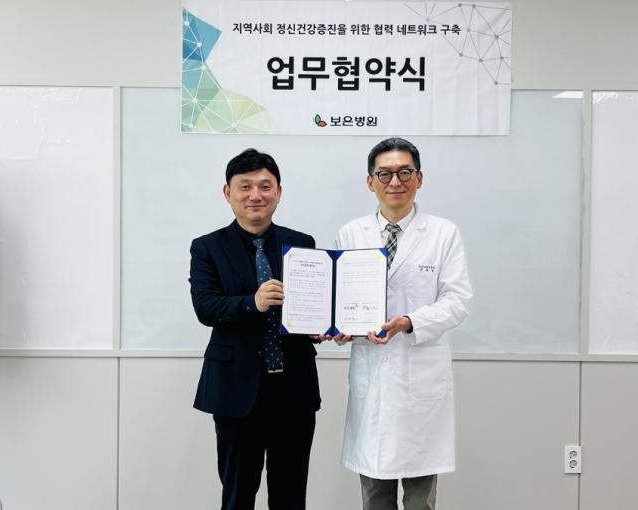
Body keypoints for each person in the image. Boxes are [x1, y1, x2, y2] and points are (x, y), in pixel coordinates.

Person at [335, 138, 472, 510]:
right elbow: (341, 302)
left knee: (419, 499)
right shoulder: (351, 234)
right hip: (372, 378)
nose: (395, 181)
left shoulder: (443, 233)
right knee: (374, 496)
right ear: (370, 182)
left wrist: (410, 321)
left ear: (419, 178)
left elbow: (458, 301)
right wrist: (337, 327)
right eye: (384, 174)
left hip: (420, 378)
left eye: (404, 172)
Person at [189, 148, 321, 510]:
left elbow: (312, 304)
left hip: (293, 390)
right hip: (235, 390)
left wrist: (320, 325)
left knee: (290, 496)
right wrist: (253, 302)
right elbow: (206, 307)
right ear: (228, 192)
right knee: (237, 496)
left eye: (265, 186)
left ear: (278, 192)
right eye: (245, 186)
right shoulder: (207, 247)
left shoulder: (302, 243)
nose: (255, 195)